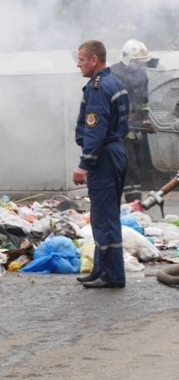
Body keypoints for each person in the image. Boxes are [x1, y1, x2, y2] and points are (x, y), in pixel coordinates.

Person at [73, 40, 129, 289]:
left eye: (82, 59)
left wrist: (84, 164)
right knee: (106, 214)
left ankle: (111, 275)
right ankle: (102, 269)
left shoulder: (97, 88)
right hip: (116, 151)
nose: (79, 64)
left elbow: (95, 130)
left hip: (104, 156)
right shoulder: (114, 82)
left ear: (94, 60)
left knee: (104, 217)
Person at [110, 39, 155, 203]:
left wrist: (145, 120)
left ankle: (132, 199)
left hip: (136, 128)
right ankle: (133, 201)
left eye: (141, 61)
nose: (139, 64)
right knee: (129, 166)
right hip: (119, 129)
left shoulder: (142, 74)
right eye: (137, 61)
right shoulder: (113, 73)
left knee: (138, 162)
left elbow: (144, 100)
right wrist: (122, 116)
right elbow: (108, 100)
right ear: (128, 57)